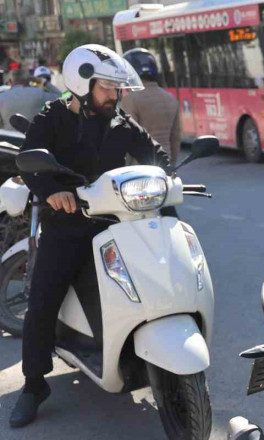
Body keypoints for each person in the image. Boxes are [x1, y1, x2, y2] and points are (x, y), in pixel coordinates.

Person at [8, 44, 170, 429]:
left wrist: (168, 174)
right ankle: (33, 385)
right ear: (83, 84)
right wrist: (51, 191)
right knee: (44, 296)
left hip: (114, 220)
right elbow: (28, 159)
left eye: (117, 88)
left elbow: (153, 152)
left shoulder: (118, 120)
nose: (114, 95)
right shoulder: (54, 117)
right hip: (67, 223)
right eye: (107, 88)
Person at [121, 48, 182, 166]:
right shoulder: (170, 98)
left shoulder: (131, 99)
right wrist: (172, 164)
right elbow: (176, 138)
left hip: (140, 170)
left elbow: (127, 138)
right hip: (165, 165)